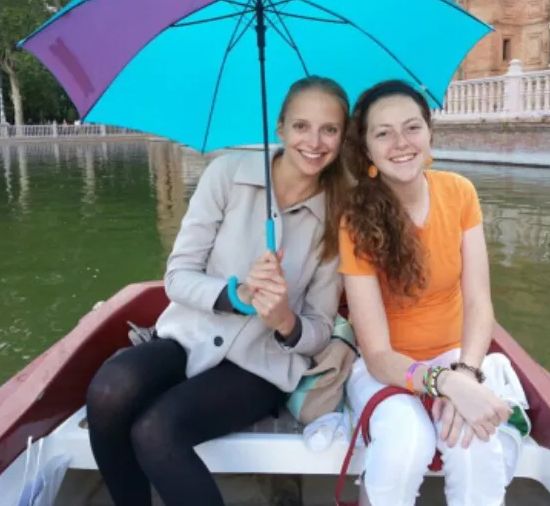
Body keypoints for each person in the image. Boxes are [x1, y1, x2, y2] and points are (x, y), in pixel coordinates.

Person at [85, 75, 350, 506]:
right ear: (280, 128)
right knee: (109, 391)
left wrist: (284, 321)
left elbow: (319, 330)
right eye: (301, 126)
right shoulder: (227, 174)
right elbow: (178, 276)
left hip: (260, 367)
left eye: (329, 129)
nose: (314, 142)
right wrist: (238, 294)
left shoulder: (337, 216)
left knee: (155, 430)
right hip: (188, 337)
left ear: (342, 137)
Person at [339, 79, 514, 506]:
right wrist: (444, 384)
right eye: (383, 133)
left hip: (456, 356)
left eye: (411, 127)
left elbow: (478, 302)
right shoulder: (355, 219)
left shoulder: (459, 192)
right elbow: (378, 354)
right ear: (367, 149)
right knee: (406, 441)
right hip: (387, 368)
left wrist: (467, 376)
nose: (401, 143)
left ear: (429, 132)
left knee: (476, 443)